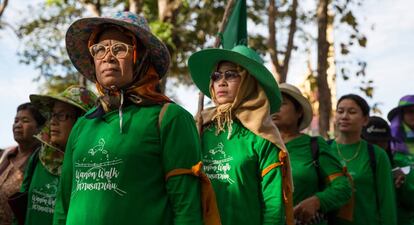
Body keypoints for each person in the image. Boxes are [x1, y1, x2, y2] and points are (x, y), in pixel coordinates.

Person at [53, 11, 204, 225]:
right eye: (100, 49)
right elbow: (63, 203)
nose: (108, 56)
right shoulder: (83, 124)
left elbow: (187, 208)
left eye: (119, 49)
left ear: (141, 58)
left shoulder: (170, 118)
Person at [188, 45, 294, 225]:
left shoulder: (263, 135)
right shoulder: (198, 127)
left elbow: (274, 205)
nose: (221, 82)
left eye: (231, 75)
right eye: (216, 76)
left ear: (249, 81)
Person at [15, 86, 97, 225]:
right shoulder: (40, 157)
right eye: (53, 115)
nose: (53, 121)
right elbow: (21, 208)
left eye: (62, 115)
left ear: (83, 120)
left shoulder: (93, 166)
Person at [272, 83, 352, 225]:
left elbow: (343, 187)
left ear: (299, 112)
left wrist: (317, 201)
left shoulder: (314, 145)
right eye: (273, 103)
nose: (275, 108)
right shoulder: (259, 146)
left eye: (282, 103)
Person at [330, 94, 396, 225]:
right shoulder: (323, 150)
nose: (344, 116)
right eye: (340, 111)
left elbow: (387, 202)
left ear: (365, 120)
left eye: (352, 112)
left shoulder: (377, 155)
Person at [0, 103, 46, 225]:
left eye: (25, 121)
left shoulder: (43, 160)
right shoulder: (5, 155)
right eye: (16, 120)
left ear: (39, 128)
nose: (18, 125)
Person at [388, 95, 414, 225]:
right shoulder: (390, 143)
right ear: (401, 114)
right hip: (400, 214)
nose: (413, 115)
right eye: (410, 111)